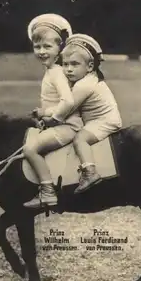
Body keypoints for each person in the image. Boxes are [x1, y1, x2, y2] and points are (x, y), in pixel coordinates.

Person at [39, 34, 123, 194]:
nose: (68, 69)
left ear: (90, 66)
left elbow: (65, 110)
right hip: (96, 119)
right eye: (65, 64)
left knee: (80, 139)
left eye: (75, 64)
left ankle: (90, 172)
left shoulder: (83, 86)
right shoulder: (87, 79)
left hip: (104, 121)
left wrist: (47, 117)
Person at [21, 14, 84, 209]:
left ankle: (47, 191)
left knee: (29, 149)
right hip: (62, 123)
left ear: (60, 48)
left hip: (68, 126)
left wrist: (53, 119)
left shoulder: (56, 72)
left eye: (47, 46)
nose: (41, 51)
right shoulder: (52, 70)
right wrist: (43, 112)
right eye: (37, 46)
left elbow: (68, 101)